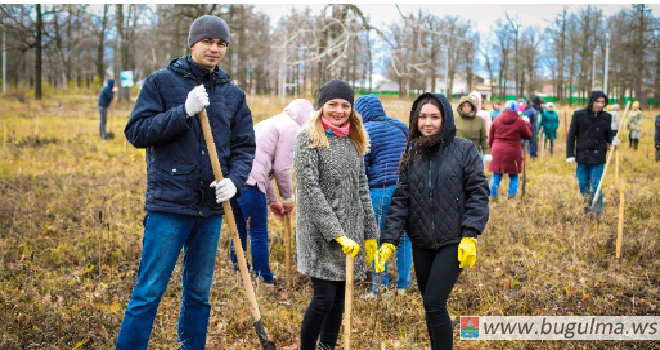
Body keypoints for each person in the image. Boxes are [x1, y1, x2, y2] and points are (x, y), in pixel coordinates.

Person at [118, 15, 256, 350]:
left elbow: (244, 146)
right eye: (208, 41)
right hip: (169, 205)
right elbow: (137, 132)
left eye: (221, 43)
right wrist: (183, 112)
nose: (215, 49)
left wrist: (235, 182)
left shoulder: (232, 94)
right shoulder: (161, 83)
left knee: (199, 292)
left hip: (211, 209)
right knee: (149, 290)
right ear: (192, 43)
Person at [375, 92, 489, 350]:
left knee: (434, 303)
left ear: (445, 119)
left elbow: (478, 193)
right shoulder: (412, 152)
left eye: (435, 117)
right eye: (422, 116)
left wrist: (470, 234)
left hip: (453, 240)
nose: (428, 122)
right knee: (430, 304)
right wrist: (389, 240)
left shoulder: (464, 150)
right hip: (422, 242)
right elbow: (401, 199)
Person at [293, 79, 378, 350]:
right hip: (320, 234)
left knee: (341, 298)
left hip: (351, 231)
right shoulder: (307, 137)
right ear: (322, 107)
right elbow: (310, 192)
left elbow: (362, 187)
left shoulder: (354, 138)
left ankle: (327, 345)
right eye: (333, 104)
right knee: (324, 298)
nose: (339, 111)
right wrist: (336, 234)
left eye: (345, 105)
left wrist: (370, 233)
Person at [228, 99, 314, 288]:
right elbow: (282, 168)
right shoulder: (292, 128)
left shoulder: (270, 122)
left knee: (238, 231)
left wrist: (273, 201)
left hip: (233, 179)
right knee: (258, 232)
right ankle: (264, 280)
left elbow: (263, 168)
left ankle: (239, 275)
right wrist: (288, 199)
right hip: (250, 181)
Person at [354, 94, 412, 295]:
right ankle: (404, 285)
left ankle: (380, 286)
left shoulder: (364, 131)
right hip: (405, 189)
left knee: (377, 237)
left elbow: (362, 167)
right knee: (403, 237)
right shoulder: (400, 126)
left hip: (379, 191)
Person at [566, 91, 619, 217]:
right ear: (591, 101)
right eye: (598, 102)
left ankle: (598, 212)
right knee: (583, 185)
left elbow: (608, 136)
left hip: (598, 156)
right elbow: (571, 136)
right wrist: (570, 154)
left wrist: (613, 140)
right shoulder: (579, 115)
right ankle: (588, 206)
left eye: (603, 102)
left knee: (596, 185)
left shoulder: (606, 117)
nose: (600, 104)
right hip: (582, 155)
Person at [489, 101, 532, 198]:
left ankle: (493, 195)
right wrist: (527, 124)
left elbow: (491, 138)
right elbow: (528, 135)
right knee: (514, 175)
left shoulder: (496, 120)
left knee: (496, 174)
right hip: (513, 152)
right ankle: (511, 196)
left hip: (497, 150)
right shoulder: (520, 122)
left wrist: (492, 149)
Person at [455, 95, 492, 163]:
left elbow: (483, 138)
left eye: (468, 105)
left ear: (472, 107)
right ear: (460, 107)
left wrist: (487, 152)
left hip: (474, 155)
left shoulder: (479, 120)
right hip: (458, 155)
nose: (466, 108)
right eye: (464, 106)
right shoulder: (455, 120)